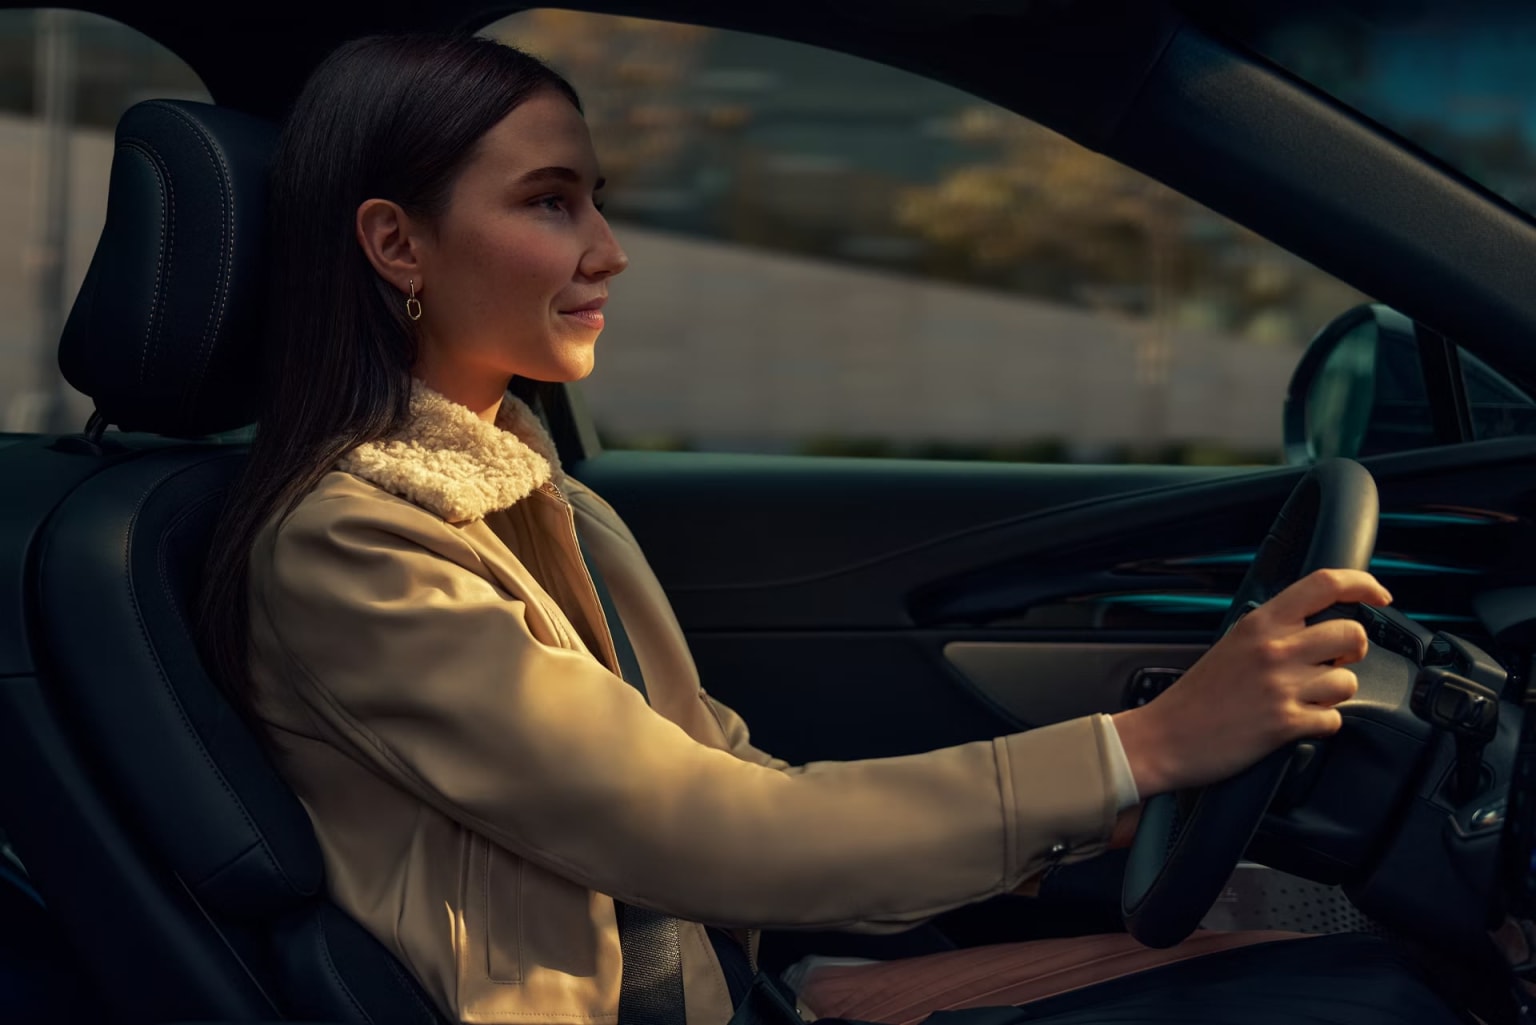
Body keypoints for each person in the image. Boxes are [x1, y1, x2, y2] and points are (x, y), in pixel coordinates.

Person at [197, 32, 1464, 1025]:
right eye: (550, 203)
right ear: (397, 243)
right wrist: (1147, 745)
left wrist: (1119, 803)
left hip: (732, 982)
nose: (609, 250)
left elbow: (727, 773)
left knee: (1313, 960)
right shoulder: (350, 549)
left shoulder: (534, 494)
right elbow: (702, 829)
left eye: (596, 200)